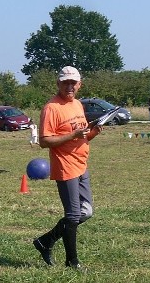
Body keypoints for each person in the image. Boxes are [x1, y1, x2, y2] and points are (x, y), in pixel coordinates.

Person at [32, 66, 102, 271]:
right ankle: (72, 262)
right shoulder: (51, 108)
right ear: (58, 83)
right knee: (72, 215)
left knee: (86, 212)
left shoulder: (78, 104)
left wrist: (94, 132)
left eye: (73, 82)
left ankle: (45, 241)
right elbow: (44, 141)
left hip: (81, 164)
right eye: (65, 82)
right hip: (65, 166)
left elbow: (83, 135)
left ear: (79, 84)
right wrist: (73, 135)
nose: (69, 86)